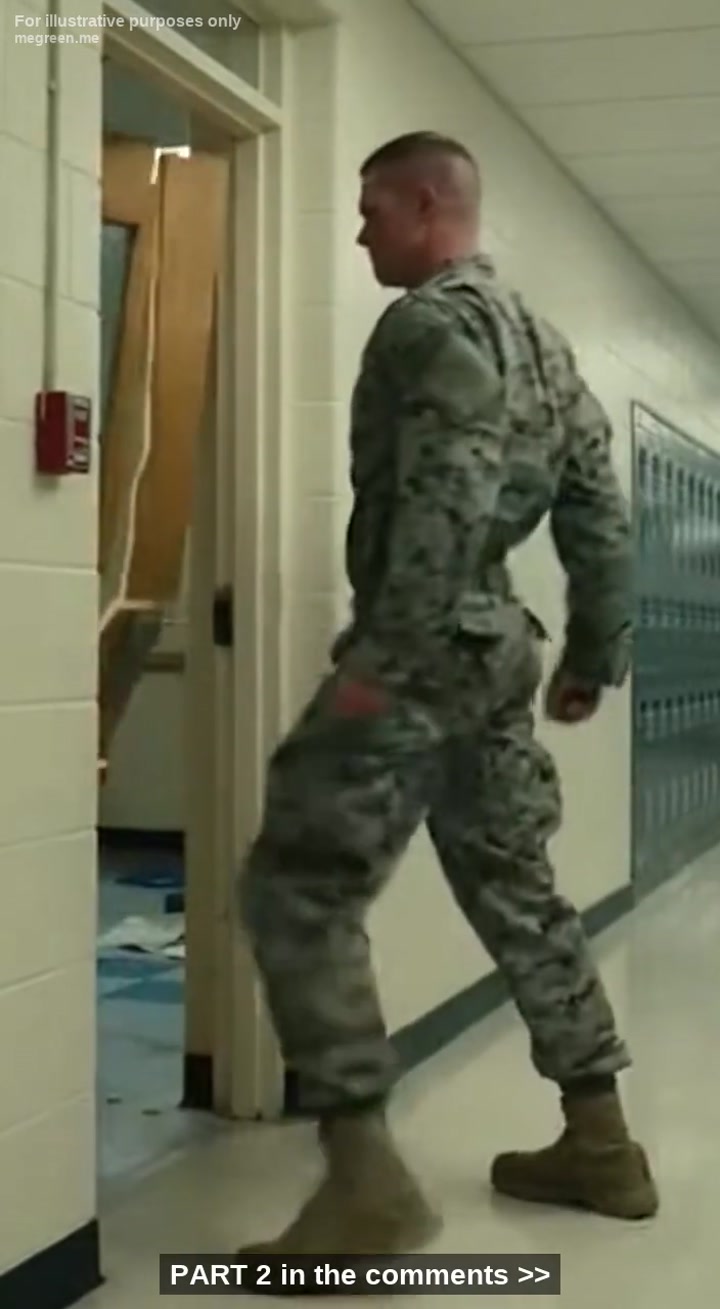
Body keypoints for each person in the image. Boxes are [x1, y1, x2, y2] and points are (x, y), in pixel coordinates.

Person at [237, 131, 658, 1260]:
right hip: (495, 654)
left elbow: (449, 496)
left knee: (295, 887)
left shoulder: (428, 326)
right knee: (519, 888)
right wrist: (591, 654)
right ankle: (602, 1144)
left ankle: (365, 1187)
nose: (360, 232)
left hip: (425, 649)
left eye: (372, 209)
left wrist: (386, 663)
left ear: (427, 205)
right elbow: (598, 508)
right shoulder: (545, 345)